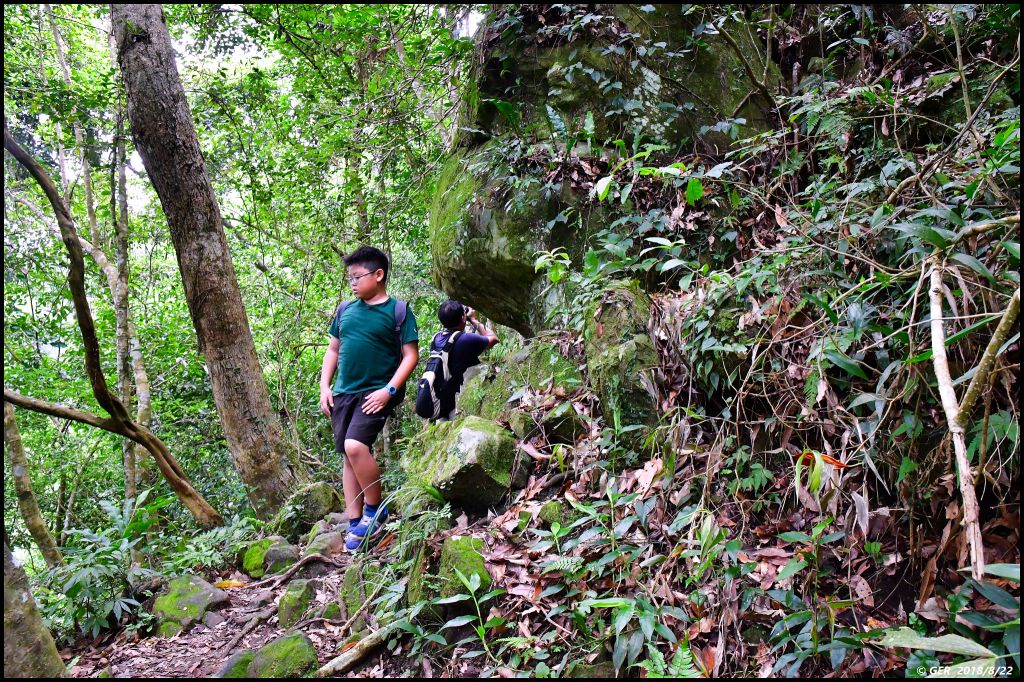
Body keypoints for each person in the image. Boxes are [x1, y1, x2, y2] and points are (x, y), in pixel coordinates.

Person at [319, 246, 419, 551]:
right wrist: (325, 387)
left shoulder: (398, 311)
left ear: (378, 275)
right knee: (348, 456)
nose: (352, 282)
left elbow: (410, 356)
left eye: (357, 277)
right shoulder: (345, 311)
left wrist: (389, 390)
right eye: (349, 277)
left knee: (355, 446)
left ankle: (376, 510)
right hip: (343, 392)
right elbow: (333, 350)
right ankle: (355, 520)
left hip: (375, 392)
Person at [430, 299, 499, 421]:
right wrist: (473, 320)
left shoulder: (436, 339)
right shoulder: (465, 340)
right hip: (458, 404)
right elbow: (493, 338)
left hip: (439, 403)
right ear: (463, 318)